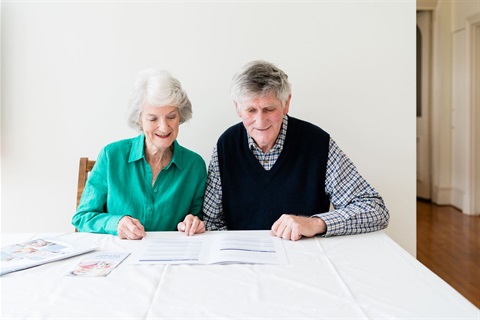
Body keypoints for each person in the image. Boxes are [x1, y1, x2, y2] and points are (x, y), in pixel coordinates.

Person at [203, 60, 389, 241]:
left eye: (269, 109)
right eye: (251, 110)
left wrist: (316, 223)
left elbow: (375, 209)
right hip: (243, 259)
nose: (260, 122)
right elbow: (212, 221)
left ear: (286, 104)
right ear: (237, 108)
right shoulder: (226, 146)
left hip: (306, 258)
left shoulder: (317, 143)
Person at [72, 69, 207, 239]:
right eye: (153, 119)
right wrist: (116, 223)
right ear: (139, 119)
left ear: (180, 116)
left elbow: (201, 219)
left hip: (170, 258)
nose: (164, 127)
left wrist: (193, 222)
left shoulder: (194, 165)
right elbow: (82, 217)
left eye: (171, 117)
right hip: (119, 258)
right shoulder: (111, 156)